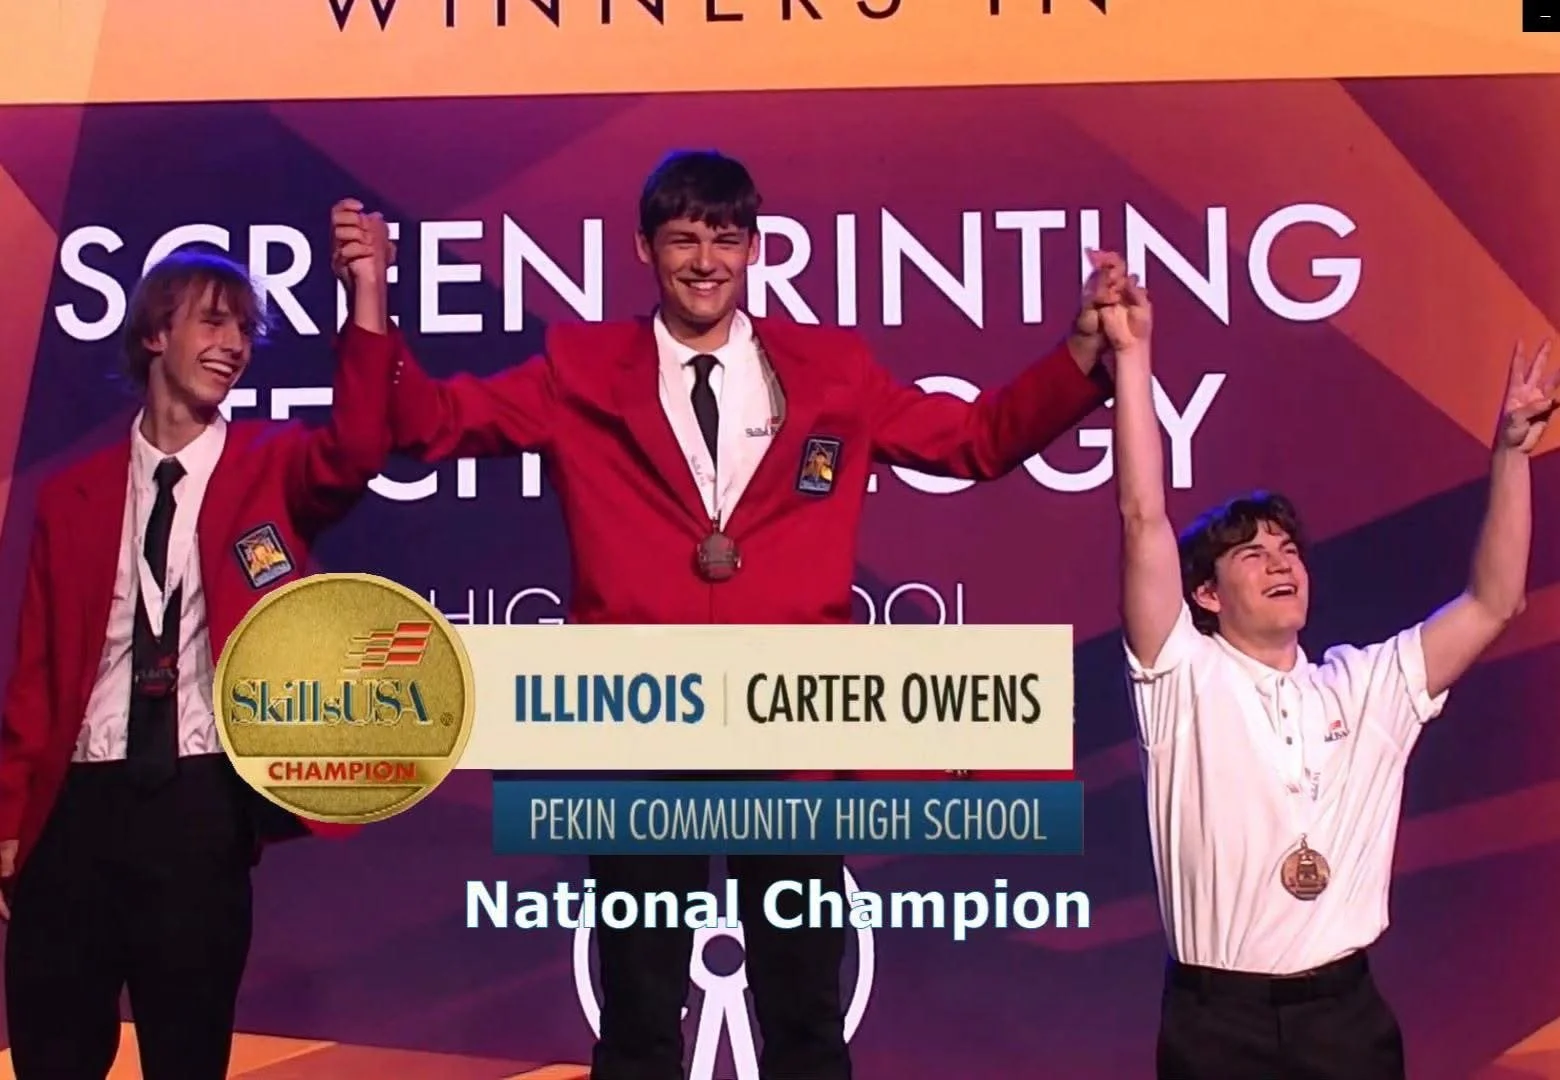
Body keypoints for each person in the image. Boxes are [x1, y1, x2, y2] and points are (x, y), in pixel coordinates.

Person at [369, 149, 1122, 1080]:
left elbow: (974, 441)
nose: (704, 260)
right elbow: (430, 424)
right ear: (644, 248)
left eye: (725, 238)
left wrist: (1083, 354)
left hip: (790, 718)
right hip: (636, 724)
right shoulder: (580, 367)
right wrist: (371, 307)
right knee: (641, 1011)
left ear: (754, 249)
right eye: (683, 237)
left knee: (803, 1007)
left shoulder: (832, 371)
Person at [1104, 257, 1552, 1079]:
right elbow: (1142, 519)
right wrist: (1131, 360)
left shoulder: (1367, 683)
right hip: (1216, 1024)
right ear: (1205, 592)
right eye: (1250, 554)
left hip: (1345, 1020)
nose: (1280, 563)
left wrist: (1511, 458)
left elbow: (1493, 603)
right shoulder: (1181, 678)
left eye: (1288, 549)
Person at [0, 200, 397, 1080]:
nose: (235, 346)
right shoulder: (73, 494)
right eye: (214, 323)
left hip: (199, 806)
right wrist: (8, 822)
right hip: (73, 811)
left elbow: (364, 443)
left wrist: (365, 288)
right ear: (153, 336)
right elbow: (35, 672)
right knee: (52, 1054)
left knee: (186, 1057)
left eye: (246, 332)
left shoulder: (272, 469)